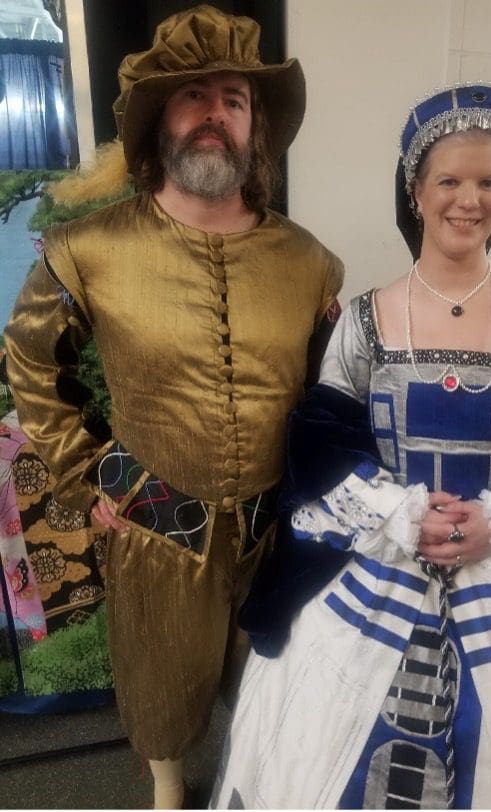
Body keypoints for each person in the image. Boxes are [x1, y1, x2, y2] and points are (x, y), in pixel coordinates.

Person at [212, 83, 491, 809]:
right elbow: (321, 443)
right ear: (416, 192)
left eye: (488, 183)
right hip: (379, 564)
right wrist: (398, 514)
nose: (469, 200)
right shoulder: (366, 317)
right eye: (449, 181)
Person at [4, 5, 343, 808]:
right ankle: (166, 788)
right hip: (153, 520)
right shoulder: (89, 250)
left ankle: (255, 778)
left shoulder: (309, 262)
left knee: (272, 677)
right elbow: (29, 358)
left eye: (233, 98)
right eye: (194, 96)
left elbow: (330, 388)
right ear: (160, 119)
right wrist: (91, 473)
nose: (214, 113)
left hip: (274, 523)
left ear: (254, 125)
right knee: (160, 676)